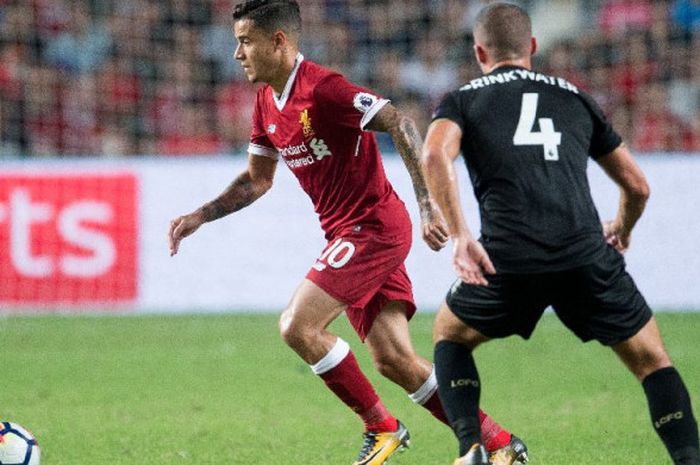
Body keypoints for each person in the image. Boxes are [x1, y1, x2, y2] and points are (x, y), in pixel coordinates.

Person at [168, 1, 527, 465]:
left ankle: (382, 428)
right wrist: (201, 215)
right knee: (394, 361)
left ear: (278, 41)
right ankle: (500, 443)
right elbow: (257, 180)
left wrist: (425, 204)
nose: (237, 53)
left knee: (298, 325)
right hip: (349, 233)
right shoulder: (265, 103)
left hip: (373, 227)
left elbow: (400, 121)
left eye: (245, 41)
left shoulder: (324, 90)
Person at [421, 3, 699, 465]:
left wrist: (460, 235)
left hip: (507, 258)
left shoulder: (463, 99)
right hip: (584, 252)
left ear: (478, 52)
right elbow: (638, 186)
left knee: (449, 335)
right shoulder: (575, 96)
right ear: (531, 47)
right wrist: (622, 228)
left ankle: (471, 446)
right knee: (652, 360)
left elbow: (433, 157)